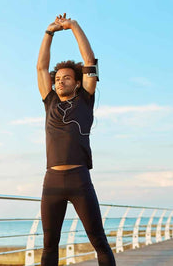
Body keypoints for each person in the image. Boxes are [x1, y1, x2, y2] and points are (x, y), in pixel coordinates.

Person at [36, 13, 116, 266]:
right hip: (52, 182)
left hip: (79, 180)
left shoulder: (85, 101)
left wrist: (73, 26)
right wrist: (48, 33)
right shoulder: (49, 102)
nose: (60, 81)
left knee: (98, 241)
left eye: (66, 78)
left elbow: (89, 60)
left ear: (78, 83)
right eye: (57, 79)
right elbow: (40, 67)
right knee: (49, 246)